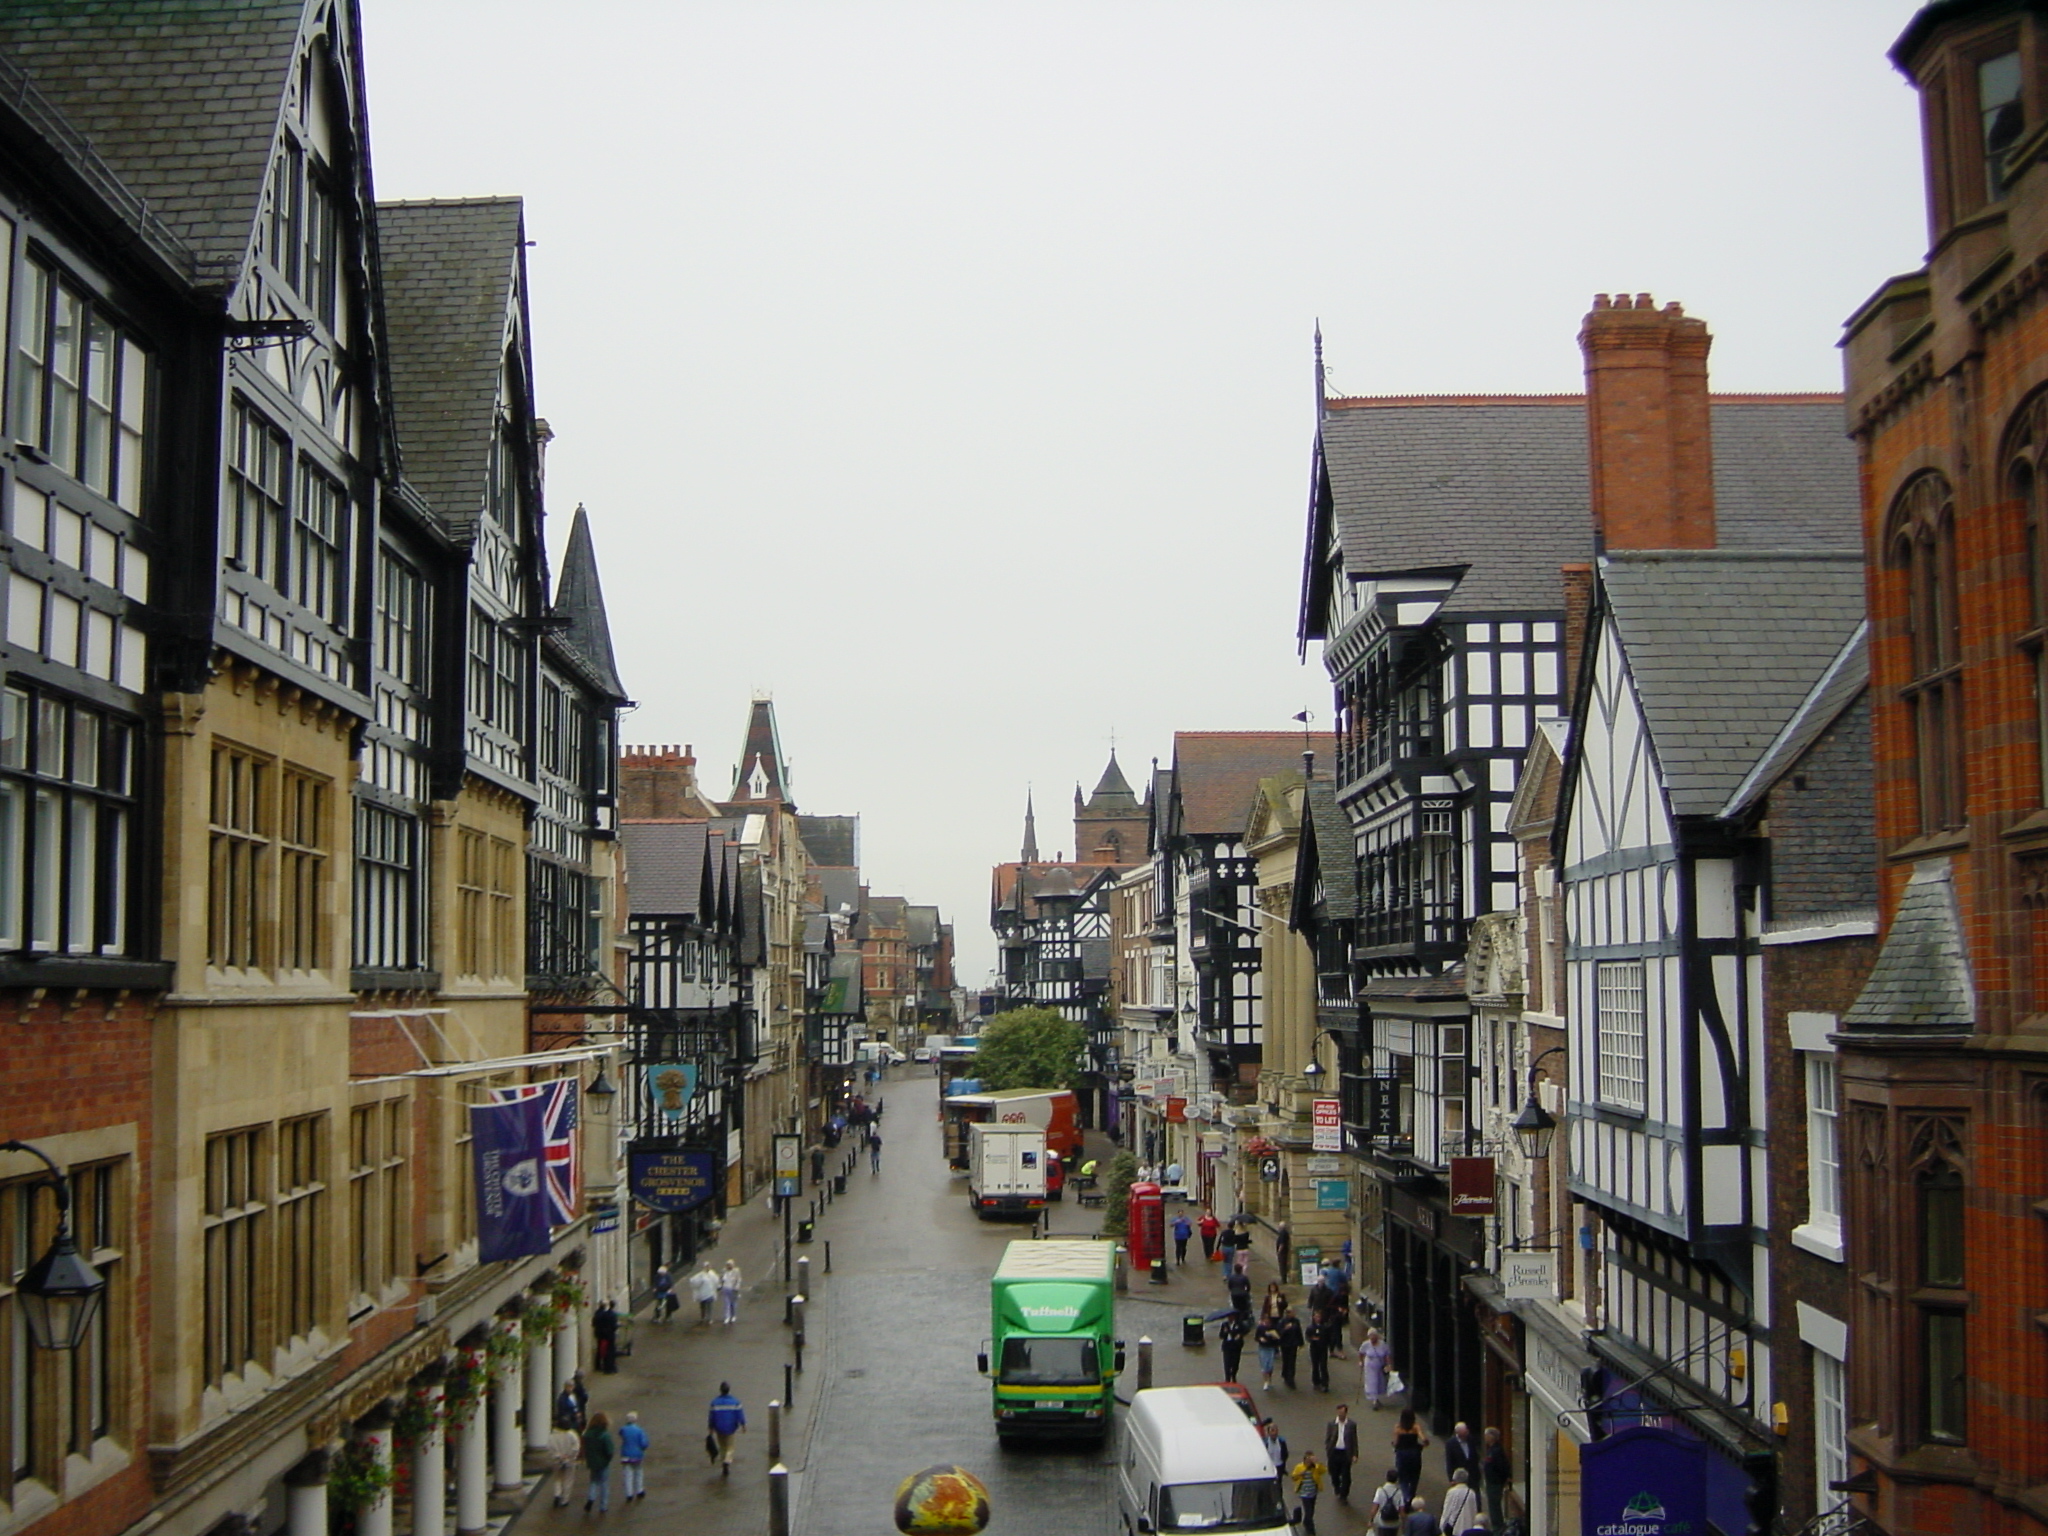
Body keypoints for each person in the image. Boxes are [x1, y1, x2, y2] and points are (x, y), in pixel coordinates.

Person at [1392, 1407, 1430, 1508]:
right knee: (1414, 1476)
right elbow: (1423, 1439)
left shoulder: (1398, 1428)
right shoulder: (1415, 1427)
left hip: (1402, 1454)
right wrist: (1422, 1445)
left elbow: (1396, 1443)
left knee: (1403, 1477)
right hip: (1414, 1454)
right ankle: (1412, 1494)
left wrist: (1394, 1444)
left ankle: (1405, 1497)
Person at [708, 1381, 747, 1473]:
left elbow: (711, 1416)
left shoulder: (714, 1402)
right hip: (731, 1427)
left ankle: (723, 1461)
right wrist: (743, 1425)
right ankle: (727, 1460)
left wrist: (711, 1428)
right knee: (730, 1447)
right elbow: (739, 1414)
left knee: (722, 1446)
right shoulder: (735, 1402)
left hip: (719, 1428)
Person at [1323, 1403, 1360, 1502]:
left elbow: (1354, 1440)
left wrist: (1355, 1454)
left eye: (1342, 1413)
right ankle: (1337, 1487)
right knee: (1334, 1473)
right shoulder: (1332, 1424)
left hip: (1345, 1453)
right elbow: (1328, 1438)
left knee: (1346, 1475)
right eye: (1339, 1412)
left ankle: (1344, 1494)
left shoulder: (1351, 1425)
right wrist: (1328, 1449)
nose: (1340, 1415)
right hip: (1334, 1452)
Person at [581, 1411, 615, 1514]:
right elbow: (609, 1451)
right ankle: (603, 1506)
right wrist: (607, 1459)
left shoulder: (587, 1435)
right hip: (603, 1463)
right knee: (604, 1484)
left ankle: (591, 1498)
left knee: (593, 1482)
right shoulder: (605, 1435)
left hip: (592, 1462)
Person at [1480, 1427, 1511, 1532]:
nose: (1484, 1437)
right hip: (1491, 1482)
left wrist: (1502, 1480)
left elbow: (1502, 1467)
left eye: (1486, 1435)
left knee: (1494, 1507)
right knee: (1493, 1506)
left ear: (1491, 1437)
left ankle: (1498, 1528)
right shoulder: (1491, 1450)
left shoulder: (1496, 1451)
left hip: (1495, 1483)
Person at [548, 1417, 582, 1507]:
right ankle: (565, 1500)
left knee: (557, 1479)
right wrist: (569, 1456)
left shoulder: (552, 1436)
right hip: (569, 1461)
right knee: (568, 1480)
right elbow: (576, 1447)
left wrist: (558, 1456)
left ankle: (557, 1494)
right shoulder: (572, 1434)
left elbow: (550, 1449)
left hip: (557, 1461)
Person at [1289, 1451, 1325, 1536]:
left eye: (1311, 1460)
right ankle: (1310, 1529)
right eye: (1308, 1460)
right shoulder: (1299, 1467)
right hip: (1304, 1494)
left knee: (1311, 1511)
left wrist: (1317, 1463)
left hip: (1313, 1493)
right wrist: (1300, 1474)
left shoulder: (1315, 1467)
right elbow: (1293, 1477)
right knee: (1308, 1512)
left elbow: (1323, 1470)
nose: (1309, 1462)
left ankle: (1306, 1521)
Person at [617, 1411, 649, 1502]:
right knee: (638, 1473)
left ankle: (629, 1494)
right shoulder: (639, 1430)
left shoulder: (623, 1429)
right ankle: (639, 1490)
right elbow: (644, 1444)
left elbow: (620, 1434)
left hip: (626, 1455)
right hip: (637, 1455)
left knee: (628, 1475)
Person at [1360, 1327, 1394, 1409]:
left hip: (1379, 1365)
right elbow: (1361, 1353)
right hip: (1370, 1366)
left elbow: (1387, 1355)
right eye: (1370, 1336)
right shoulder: (1366, 1344)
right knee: (1372, 1381)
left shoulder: (1383, 1345)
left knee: (1380, 1382)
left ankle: (1376, 1398)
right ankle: (1374, 1400)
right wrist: (1361, 1362)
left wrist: (1389, 1365)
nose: (1372, 1338)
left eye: (1373, 1336)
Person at [1440, 1470, 1481, 1536]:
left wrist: (1442, 1527)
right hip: (1468, 1528)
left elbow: (1447, 1511)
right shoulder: (1471, 1493)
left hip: (1454, 1528)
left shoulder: (1451, 1492)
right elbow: (1474, 1512)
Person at [1370, 1469, 1406, 1535]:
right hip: (1394, 1522)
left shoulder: (1380, 1490)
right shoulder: (1399, 1492)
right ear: (1396, 1479)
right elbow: (1401, 1510)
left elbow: (1375, 1508)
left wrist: (1371, 1520)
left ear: (1387, 1477)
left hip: (1382, 1521)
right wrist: (1404, 1523)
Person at [1307, 1308, 1334, 1392]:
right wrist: (1312, 1339)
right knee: (1315, 1366)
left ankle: (1325, 1383)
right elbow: (1308, 1337)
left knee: (1323, 1366)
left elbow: (1329, 1338)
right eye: (1316, 1317)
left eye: (1319, 1317)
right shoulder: (1310, 1327)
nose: (1317, 1318)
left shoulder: (1325, 1327)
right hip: (1314, 1349)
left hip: (1323, 1348)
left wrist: (1330, 1347)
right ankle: (1316, 1382)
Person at [1219, 1308, 1249, 1383]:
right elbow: (1221, 1336)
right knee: (1227, 1363)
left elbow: (1246, 1330)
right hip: (1227, 1346)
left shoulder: (1239, 1324)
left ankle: (1233, 1375)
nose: (1230, 1318)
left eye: (1231, 1316)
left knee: (1235, 1363)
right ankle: (1227, 1378)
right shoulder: (1224, 1325)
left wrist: (1240, 1335)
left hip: (1236, 1346)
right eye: (1228, 1317)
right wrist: (1225, 1332)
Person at [1255, 1311, 1282, 1391]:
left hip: (1271, 1348)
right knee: (1264, 1365)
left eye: (1268, 1321)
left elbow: (1278, 1338)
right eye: (1265, 1320)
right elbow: (1256, 1337)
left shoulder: (1273, 1327)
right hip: (1263, 1348)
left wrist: (1275, 1337)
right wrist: (1260, 1339)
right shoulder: (1260, 1328)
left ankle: (1269, 1380)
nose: (1267, 1322)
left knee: (1270, 1365)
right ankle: (1266, 1381)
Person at [1278, 1307, 1304, 1390]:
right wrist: (1285, 1329)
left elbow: (1299, 1332)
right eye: (1292, 1312)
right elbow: (1279, 1333)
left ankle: (1291, 1379)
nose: (1293, 1314)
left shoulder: (1296, 1321)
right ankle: (1285, 1375)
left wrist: (1301, 1342)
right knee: (1286, 1361)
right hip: (1285, 1344)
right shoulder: (1282, 1322)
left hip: (1293, 1344)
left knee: (1292, 1361)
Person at [592, 1299, 619, 1373]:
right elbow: (613, 1326)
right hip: (607, 1335)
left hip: (601, 1333)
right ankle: (608, 1367)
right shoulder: (609, 1314)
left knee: (601, 1349)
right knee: (609, 1351)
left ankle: (600, 1365)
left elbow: (594, 1323)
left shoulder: (598, 1313)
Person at [688, 1262, 718, 1326]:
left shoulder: (712, 1274)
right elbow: (694, 1281)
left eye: (708, 1266)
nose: (707, 1267)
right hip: (703, 1293)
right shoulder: (701, 1275)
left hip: (710, 1293)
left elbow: (716, 1281)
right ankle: (703, 1317)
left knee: (709, 1306)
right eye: (706, 1266)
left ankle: (709, 1318)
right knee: (703, 1306)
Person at [719, 1259, 743, 1326]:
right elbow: (721, 1279)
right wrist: (720, 1286)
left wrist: (737, 1287)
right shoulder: (723, 1271)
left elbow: (739, 1280)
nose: (728, 1266)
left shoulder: (736, 1271)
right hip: (725, 1288)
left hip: (733, 1289)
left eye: (730, 1265)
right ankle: (727, 1317)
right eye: (727, 1265)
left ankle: (733, 1316)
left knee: (733, 1304)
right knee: (726, 1303)